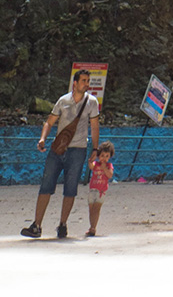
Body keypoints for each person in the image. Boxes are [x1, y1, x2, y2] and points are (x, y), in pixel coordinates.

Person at [21, 67, 101, 239]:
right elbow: (49, 122)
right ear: (75, 83)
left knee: (70, 188)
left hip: (78, 150)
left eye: (88, 81)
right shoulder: (63, 101)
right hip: (58, 149)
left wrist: (95, 148)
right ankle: (37, 225)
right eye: (83, 81)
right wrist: (43, 138)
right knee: (46, 185)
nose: (86, 84)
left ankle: (63, 224)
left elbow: (94, 126)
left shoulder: (91, 102)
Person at [85, 142, 114, 237]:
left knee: (96, 209)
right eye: (102, 156)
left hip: (101, 191)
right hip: (92, 189)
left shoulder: (109, 166)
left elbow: (109, 175)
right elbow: (91, 166)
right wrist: (90, 160)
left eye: (106, 156)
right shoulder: (96, 164)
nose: (104, 158)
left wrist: (104, 168)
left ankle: (93, 227)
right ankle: (91, 226)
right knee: (91, 209)